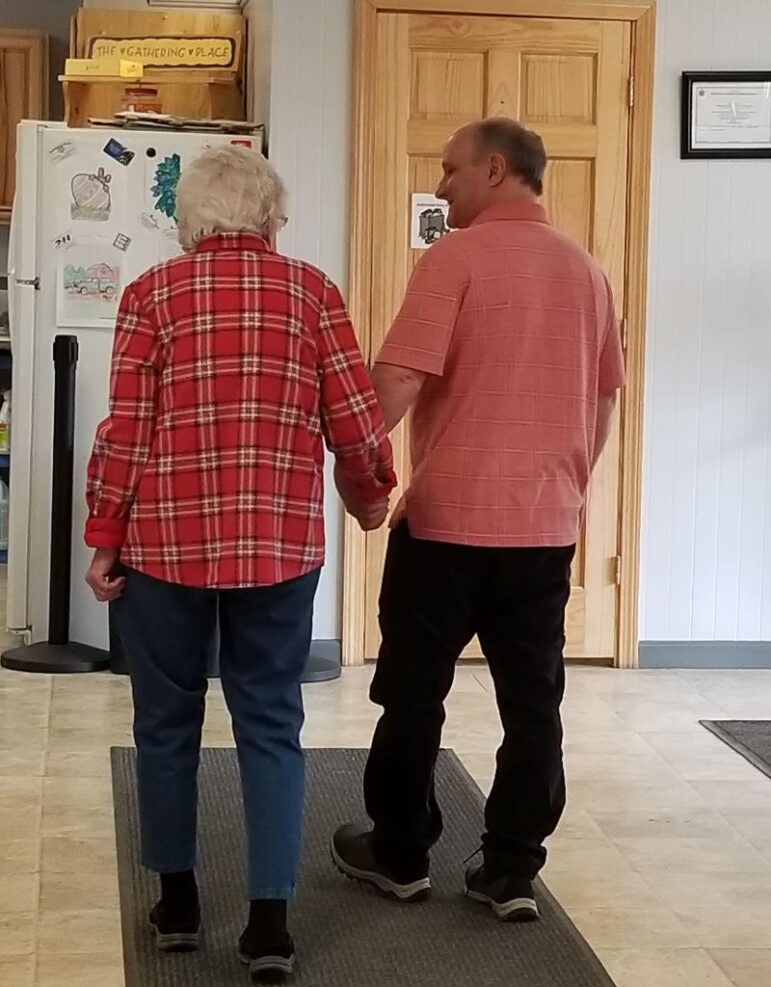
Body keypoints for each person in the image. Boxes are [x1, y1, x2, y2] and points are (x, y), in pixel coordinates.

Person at [84, 145, 395, 981]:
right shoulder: (312, 292)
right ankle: (269, 925)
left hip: (163, 546)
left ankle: (179, 902)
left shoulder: (151, 294)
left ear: (189, 220)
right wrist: (370, 497)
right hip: (280, 546)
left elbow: (125, 431)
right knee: (270, 722)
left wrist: (105, 534)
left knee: (163, 721)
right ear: (269, 216)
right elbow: (357, 425)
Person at [331, 118, 625, 922]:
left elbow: (395, 376)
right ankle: (508, 870)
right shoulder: (587, 271)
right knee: (534, 704)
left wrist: (356, 470)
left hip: (446, 527)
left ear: (495, 169)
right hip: (542, 530)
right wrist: (567, 483)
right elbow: (602, 398)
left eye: (451, 170)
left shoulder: (452, 258)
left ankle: (397, 853)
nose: (443, 183)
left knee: (413, 695)